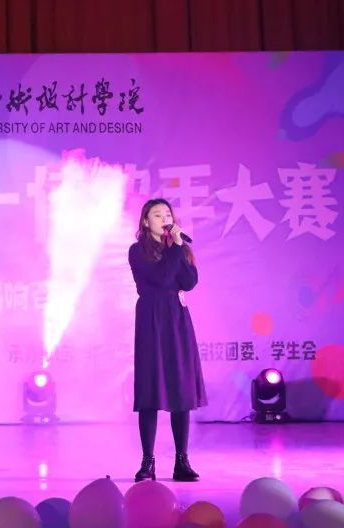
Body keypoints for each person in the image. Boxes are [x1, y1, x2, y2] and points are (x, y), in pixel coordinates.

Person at [129, 198, 206, 482]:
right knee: (150, 390)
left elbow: (189, 282)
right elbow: (161, 278)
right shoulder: (137, 251)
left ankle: (181, 461)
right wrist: (175, 249)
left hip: (177, 319)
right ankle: (148, 462)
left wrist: (178, 247)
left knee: (180, 390)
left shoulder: (177, 248)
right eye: (157, 215)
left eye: (168, 215)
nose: (164, 219)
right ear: (145, 221)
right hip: (151, 319)